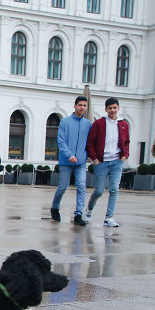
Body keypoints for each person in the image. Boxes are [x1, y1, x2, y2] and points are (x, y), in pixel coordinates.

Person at [84, 97, 129, 227]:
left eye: (115, 108)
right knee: (99, 190)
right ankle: (88, 211)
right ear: (106, 109)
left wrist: (125, 155)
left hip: (116, 161)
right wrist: (95, 159)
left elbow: (126, 142)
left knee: (114, 189)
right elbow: (90, 142)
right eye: (110, 108)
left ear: (118, 108)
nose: (112, 110)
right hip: (102, 162)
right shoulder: (99, 124)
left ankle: (109, 217)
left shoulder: (123, 125)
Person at [51, 96, 92, 226]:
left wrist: (88, 155)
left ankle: (78, 214)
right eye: (80, 105)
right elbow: (61, 141)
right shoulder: (65, 122)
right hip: (65, 161)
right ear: (74, 106)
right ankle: (55, 207)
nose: (82, 107)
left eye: (84, 106)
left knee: (81, 186)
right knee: (63, 186)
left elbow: (90, 142)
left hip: (80, 162)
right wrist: (68, 154)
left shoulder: (87, 124)